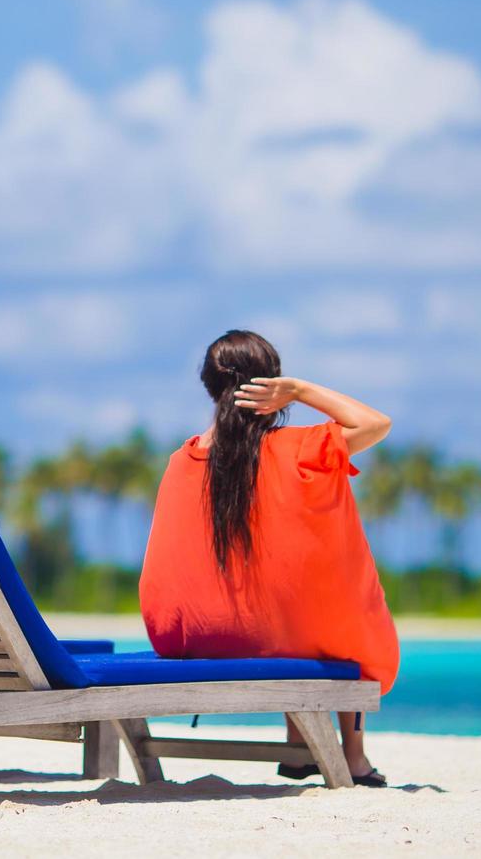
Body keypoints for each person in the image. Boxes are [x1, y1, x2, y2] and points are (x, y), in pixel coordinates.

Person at [138, 329, 399, 786]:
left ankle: (300, 748)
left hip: (195, 638)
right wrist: (300, 390)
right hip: (284, 636)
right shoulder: (302, 449)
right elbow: (376, 424)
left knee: (273, 606)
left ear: (209, 386)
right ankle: (354, 759)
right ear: (271, 388)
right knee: (339, 616)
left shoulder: (184, 460)